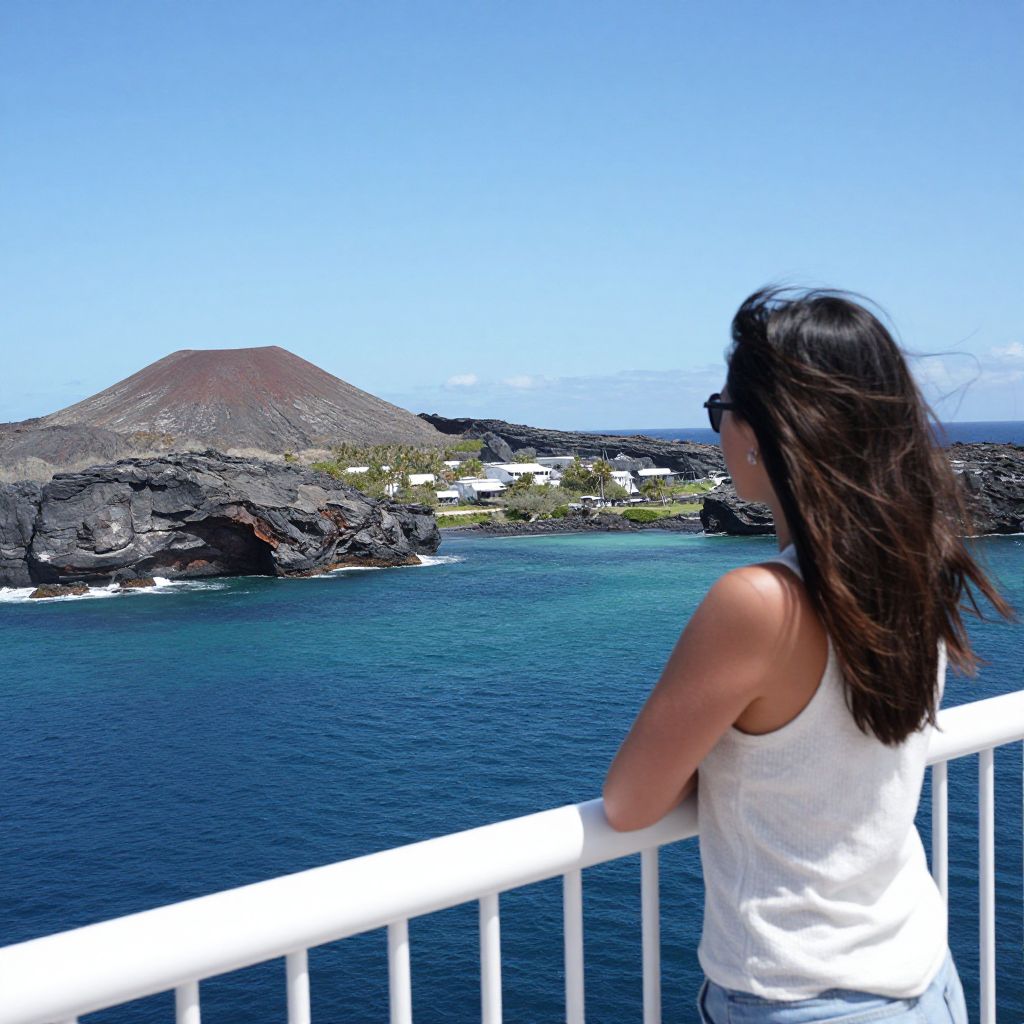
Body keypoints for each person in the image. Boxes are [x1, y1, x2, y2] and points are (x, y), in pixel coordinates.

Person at [602, 287, 1017, 1023]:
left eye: (720, 410)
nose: (718, 431)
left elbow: (630, 804)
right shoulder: (914, 571)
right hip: (923, 979)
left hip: (804, 995)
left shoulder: (759, 603)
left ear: (764, 430)